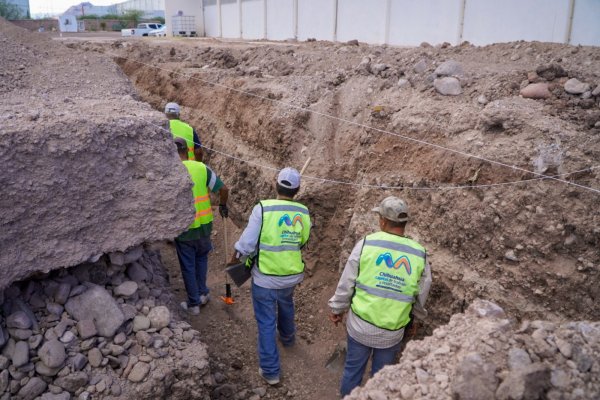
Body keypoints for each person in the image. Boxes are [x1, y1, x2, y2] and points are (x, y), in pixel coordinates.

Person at [328, 196, 432, 397]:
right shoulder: (419, 254)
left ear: (383, 221)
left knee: (352, 370)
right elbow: (422, 292)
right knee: (381, 377)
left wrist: (337, 308)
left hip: (360, 326)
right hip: (391, 332)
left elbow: (347, 281)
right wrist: (417, 319)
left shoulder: (367, 243)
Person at [231, 167, 311, 385]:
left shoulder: (263, 209)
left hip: (265, 276)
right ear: (297, 189)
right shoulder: (303, 212)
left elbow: (247, 243)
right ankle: (287, 338)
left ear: (276, 185)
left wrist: (235, 256)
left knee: (266, 322)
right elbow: (303, 241)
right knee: (286, 303)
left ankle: (270, 371)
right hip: (291, 274)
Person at [173, 137, 228, 315]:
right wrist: (223, 205)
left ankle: (193, 303)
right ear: (188, 151)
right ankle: (203, 293)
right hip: (205, 225)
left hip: (185, 228)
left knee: (188, 265)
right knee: (202, 259)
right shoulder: (201, 168)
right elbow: (223, 189)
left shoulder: (171, 171)